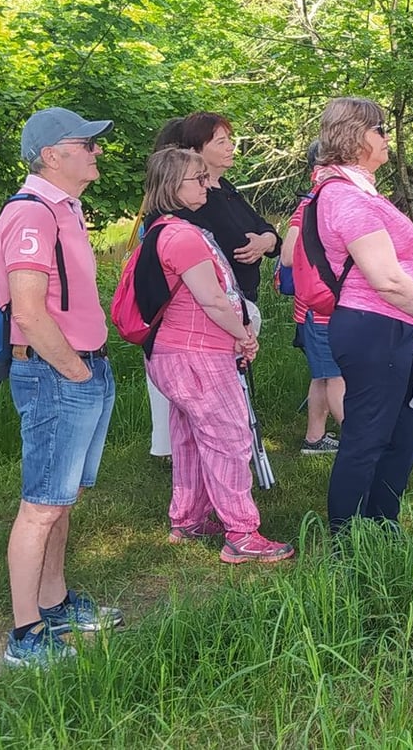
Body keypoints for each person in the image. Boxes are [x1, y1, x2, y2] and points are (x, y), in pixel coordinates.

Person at [0, 106, 124, 667]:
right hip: (56, 373)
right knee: (41, 506)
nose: (96, 151)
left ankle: (55, 601)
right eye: (85, 143)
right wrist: (75, 370)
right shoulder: (32, 215)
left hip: (79, 366)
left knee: (60, 499)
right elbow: (27, 309)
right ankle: (25, 635)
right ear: (52, 154)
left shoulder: (64, 210)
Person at [135, 147, 293, 563]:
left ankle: (187, 519)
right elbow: (214, 300)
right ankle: (242, 533)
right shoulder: (183, 236)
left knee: (188, 436)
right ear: (172, 185)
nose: (207, 186)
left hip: (173, 353)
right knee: (229, 438)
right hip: (197, 355)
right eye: (198, 179)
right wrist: (243, 336)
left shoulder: (165, 228)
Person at [312, 97, 413, 536]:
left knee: (406, 431)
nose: (387, 138)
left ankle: (381, 521)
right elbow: (386, 279)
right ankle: (346, 539)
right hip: (373, 326)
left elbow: (404, 266)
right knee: (367, 437)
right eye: (380, 130)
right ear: (354, 136)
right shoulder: (343, 196)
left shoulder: (360, 190)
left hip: (393, 326)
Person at [143, 113, 278, 462]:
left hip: (237, 306)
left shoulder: (225, 190)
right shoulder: (183, 214)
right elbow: (210, 270)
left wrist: (265, 239)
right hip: (204, 317)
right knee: (202, 399)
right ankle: (196, 459)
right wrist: (240, 328)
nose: (230, 147)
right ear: (193, 152)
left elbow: (266, 230)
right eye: (220, 141)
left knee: (225, 393)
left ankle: (206, 456)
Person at [281, 141, 344, 455]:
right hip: (319, 310)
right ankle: (359, 440)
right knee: (336, 376)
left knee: (323, 374)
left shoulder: (324, 201)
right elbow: (288, 253)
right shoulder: (312, 205)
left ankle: (314, 439)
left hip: (321, 310)